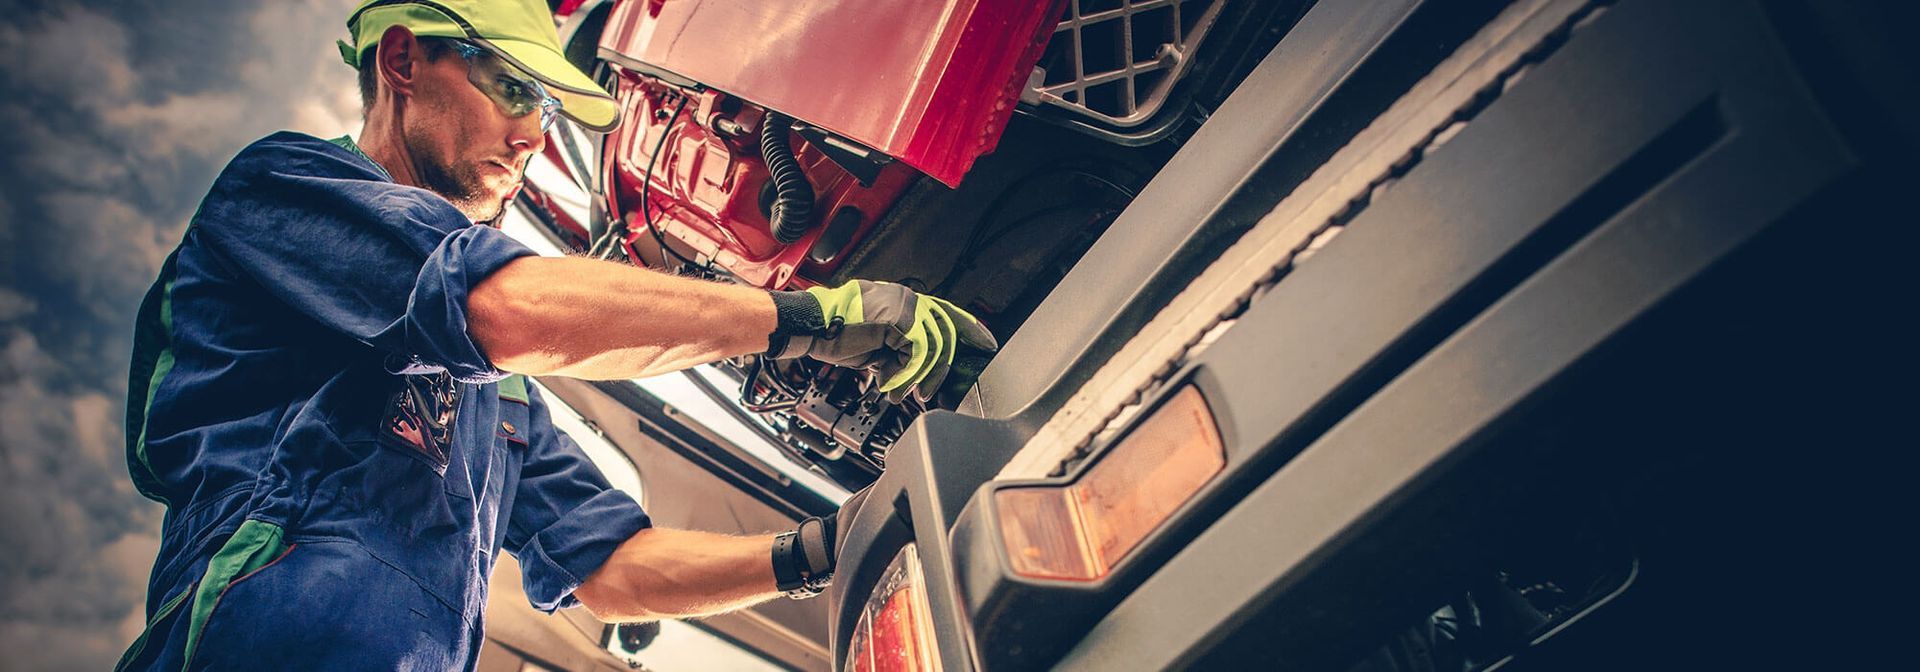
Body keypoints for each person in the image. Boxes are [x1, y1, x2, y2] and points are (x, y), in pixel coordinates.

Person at [114, 1, 995, 669]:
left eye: (543, 108)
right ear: (402, 60)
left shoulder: (498, 397)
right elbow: (504, 309)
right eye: (514, 88)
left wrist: (830, 547)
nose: (535, 133)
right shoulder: (283, 189)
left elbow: (616, 567)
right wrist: (807, 318)